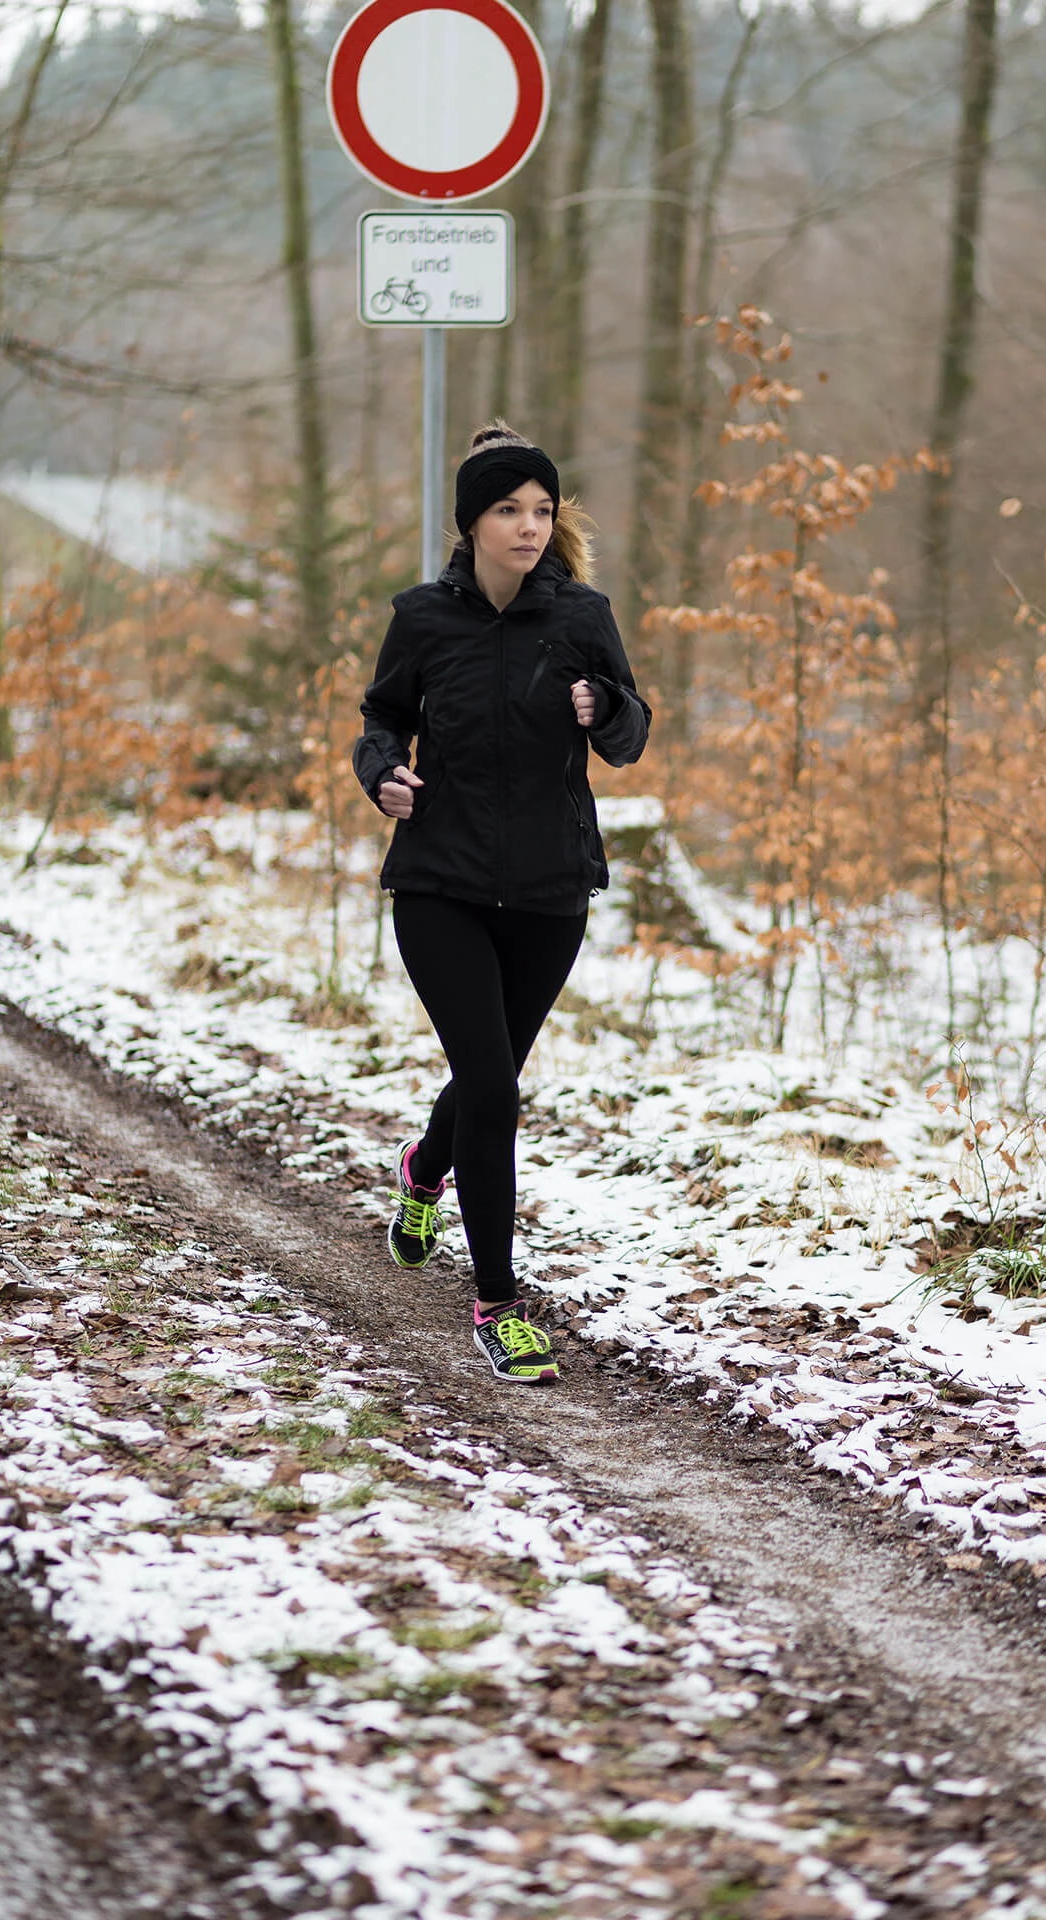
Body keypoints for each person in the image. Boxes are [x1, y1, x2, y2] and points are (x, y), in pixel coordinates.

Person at [353, 421, 651, 1384]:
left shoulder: (582, 617)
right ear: (471, 523)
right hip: (439, 880)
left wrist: (604, 710)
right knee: (494, 1085)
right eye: (508, 510)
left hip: (551, 890)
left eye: (541, 510)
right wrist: (383, 774)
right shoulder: (423, 618)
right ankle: (497, 1302)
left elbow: (632, 733)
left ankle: (422, 1171)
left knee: (492, 1074)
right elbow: (384, 717)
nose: (529, 527)